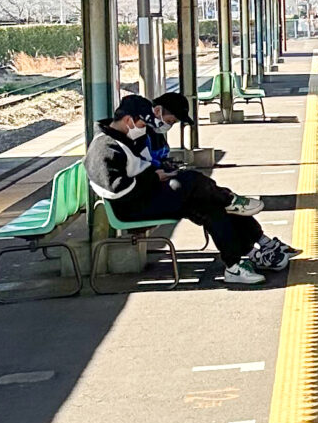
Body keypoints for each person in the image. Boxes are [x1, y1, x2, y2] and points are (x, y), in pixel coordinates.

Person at [86, 94, 289, 286]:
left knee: (209, 205)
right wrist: (154, 177)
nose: (143, 128)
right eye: (141, 124)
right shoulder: (104, 147)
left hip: (144, 197)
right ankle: (232, 205)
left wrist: (160, 172)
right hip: (130, 207)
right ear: (128, 120)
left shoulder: (123, 138)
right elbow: (116, 189)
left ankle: (236, 263)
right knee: (190, 181)